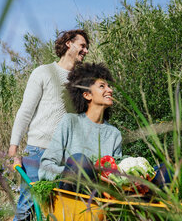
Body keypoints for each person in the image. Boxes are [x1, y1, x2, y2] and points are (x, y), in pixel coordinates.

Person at [8, 29, 89, 221]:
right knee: (27, 206)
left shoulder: (81, 82)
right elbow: (25, 111)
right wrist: (14, 147)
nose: (86, 51)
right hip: (38, 151)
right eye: (83, 46)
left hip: (64, 157)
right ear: (68, 43)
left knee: (55, 210)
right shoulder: (43, 72)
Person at [38, 62, 122, 190]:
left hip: (102, 197)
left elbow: (116, 175)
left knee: (162, 171)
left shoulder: (114, 134)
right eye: (102, 86)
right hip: (71, 195)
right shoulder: (70, 122)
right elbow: (45, 168)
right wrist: (78, 172)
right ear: (87, 94)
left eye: (109, 86)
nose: (110, 90)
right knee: (79, 161)